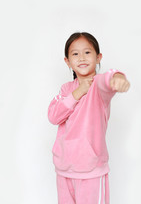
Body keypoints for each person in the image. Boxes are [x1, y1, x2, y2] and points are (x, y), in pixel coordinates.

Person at [47, 32, 130, 204]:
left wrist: (117, 77)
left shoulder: (99, 86)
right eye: (75, 54)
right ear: (67, 61)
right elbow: (54, 116)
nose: (81, 58)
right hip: (64, 170)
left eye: (87, 52)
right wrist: (77, 92)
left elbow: (108, 80)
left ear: (98, 57)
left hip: (91, 171)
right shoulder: (66, 89)